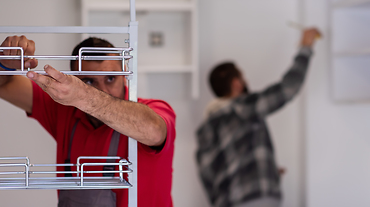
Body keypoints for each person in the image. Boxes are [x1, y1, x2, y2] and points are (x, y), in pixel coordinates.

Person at [0, 36, 176, 207]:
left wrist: (84, 94)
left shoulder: (153, 110)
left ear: (124, 76)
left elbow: (154, 131)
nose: (103, 90)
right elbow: (4, 85)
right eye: (89, 81)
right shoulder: (64, 111)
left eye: (110, 78)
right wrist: (4, 63)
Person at [196, 28, 321, 207]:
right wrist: (305, 47)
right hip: (256, 199)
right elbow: (287, 89)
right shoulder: (243, 107)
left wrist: (265, 172)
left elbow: (207, 177)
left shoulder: (204, 129)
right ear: (236, 83)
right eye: (242, 76)